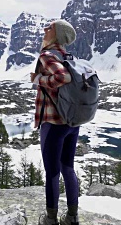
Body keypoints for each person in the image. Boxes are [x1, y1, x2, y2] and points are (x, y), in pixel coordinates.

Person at [30, 20, 80, 225]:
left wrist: (38, 80)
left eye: (49, 28)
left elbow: (62, 77)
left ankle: (50, 218)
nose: (45, 30)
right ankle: (72, 217)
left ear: (57, 33)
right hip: (72, 121)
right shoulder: (68, 56)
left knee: (52, 171)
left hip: (53, 122)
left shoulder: (47, 56)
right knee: (68, 167)